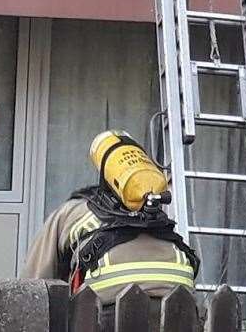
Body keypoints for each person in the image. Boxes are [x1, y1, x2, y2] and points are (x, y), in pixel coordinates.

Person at [22, 131, 198, 328]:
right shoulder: (161, 219)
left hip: (105, 315)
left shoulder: (72, 213)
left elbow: (35, 282)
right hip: (179, 312)